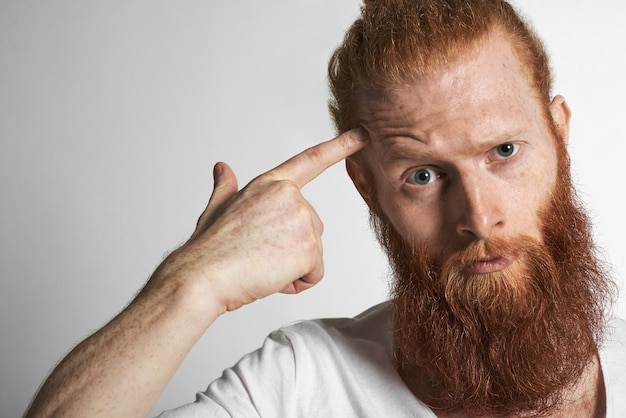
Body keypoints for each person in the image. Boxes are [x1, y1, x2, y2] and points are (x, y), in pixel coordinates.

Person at [25, 0, 625, 417]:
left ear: (558, 132)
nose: (478, 216)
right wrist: (192, 282)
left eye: (503, 150)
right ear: (368, 188)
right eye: (422, 175)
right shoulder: (299, 386)